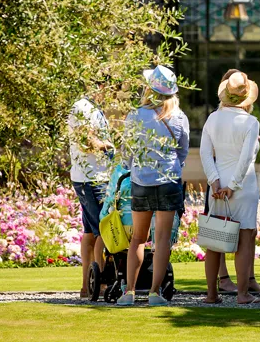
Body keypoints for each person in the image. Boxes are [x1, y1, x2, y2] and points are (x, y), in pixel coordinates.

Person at [117, 66, 190, 307]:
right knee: (161, 241)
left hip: (141, 181)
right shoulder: (179, 117)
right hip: (168, 180)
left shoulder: (135, 115)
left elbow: (127, 152)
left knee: (137, 238)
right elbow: (183, 151)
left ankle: (129, 292)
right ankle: (155, 292)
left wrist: (135, 167)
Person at [200, 71, 260, 305]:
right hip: (243, 187)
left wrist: (215, 181)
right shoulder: (251, 122)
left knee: (214, 241)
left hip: (218, 185)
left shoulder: (212, 118)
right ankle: (242, 294)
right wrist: (233, 185)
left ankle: (211, 294)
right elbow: (246, 159)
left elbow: (206, 153)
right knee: (245, 239)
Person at [68, 79, 113, 299]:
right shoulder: (82, 107)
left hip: (96, 176)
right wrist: (108, 146)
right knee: (101, 231)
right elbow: (84, 140)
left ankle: (87, 286)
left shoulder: (94, 108)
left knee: (89, 232)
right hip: (91, 179)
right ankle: (101, 283)